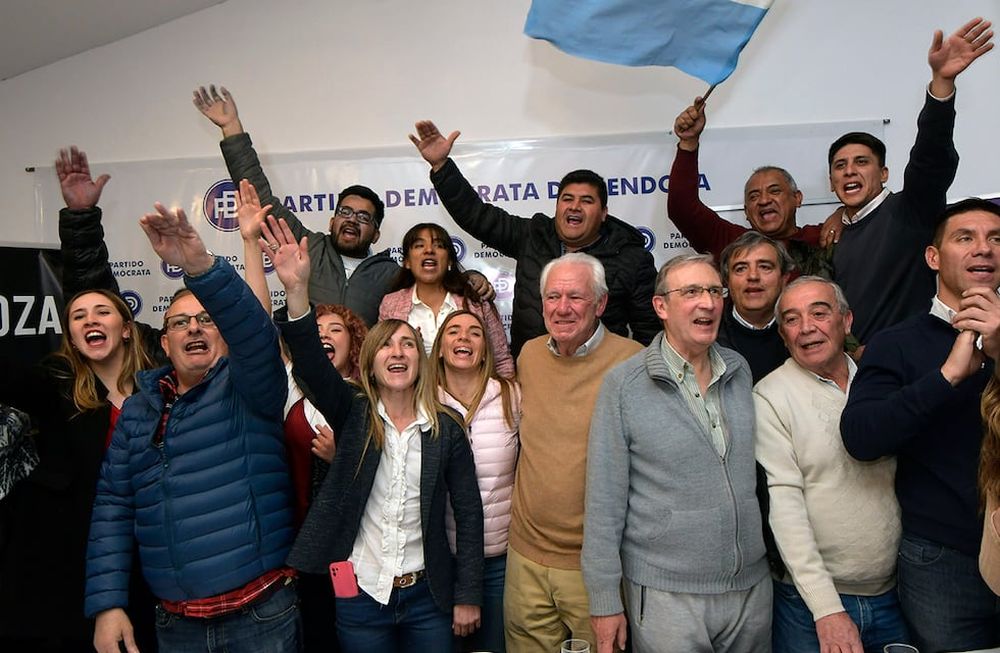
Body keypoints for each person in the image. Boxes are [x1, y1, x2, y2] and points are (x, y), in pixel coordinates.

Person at [264, 215, 484, 653]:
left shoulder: (447, 428)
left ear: (420, 361)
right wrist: (296, 292)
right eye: (386, 344)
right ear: (370, 361)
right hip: (360, 596)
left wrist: (468, 596)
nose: (398, 351)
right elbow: (309, 363)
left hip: (429, 598)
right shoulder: (352, 411)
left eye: (407, 344)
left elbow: (469, 514)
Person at [84, 204, 298, 653]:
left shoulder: (249, 389)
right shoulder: (139, 411)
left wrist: (201, 267)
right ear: (164, 342)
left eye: (206, 320)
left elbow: (257, 337)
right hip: (175, 624)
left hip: (258, 615)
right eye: (180, 322)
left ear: (224, 336)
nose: (194, 329)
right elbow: (113, 507)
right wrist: (108, 606)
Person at [583, 253, 769, 653]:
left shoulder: (739, 370)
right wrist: (604, 603)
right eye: (691, 292)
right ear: (661, 306)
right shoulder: (624, 386)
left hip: (751, 590)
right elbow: (603, 503)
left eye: (714, 291)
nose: (707, 302)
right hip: (666, 595)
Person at [841, 198, 1000, 651]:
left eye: (995, 239)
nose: (983, 249)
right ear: (934, 257)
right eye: (965, 238)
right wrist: (946, 377)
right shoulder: (896, 342)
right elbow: (861, 437)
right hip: (941, 560)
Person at [410, 120, 661, 357]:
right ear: (557, 206)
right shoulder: (533, 235)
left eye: (586, 201)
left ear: (604, 213)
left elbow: (648, 331)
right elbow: (477, 216)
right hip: (534, 370)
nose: (574, 207)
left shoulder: (631, 257)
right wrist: (442, 167)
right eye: (567, 199)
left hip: (600, 378)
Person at [755, 277, 906, 652]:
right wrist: (826, 610)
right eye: (792, 319)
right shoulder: (769, 397)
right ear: (783, 335)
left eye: (819, 313)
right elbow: (784, 509)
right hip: (810, 605)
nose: (807, 327)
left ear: (846, 321)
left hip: (898, 595)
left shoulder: (881, 383)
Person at [0, 288, 155, 652]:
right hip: (71, 561)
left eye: (102, 312)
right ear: (70, 335)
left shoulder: (159, 388)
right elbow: (13, 381)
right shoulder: (56, 382)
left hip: (148, 553)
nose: (91, 320)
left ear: (127, 329)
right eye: (78, 316)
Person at [503, 252, 643, 651]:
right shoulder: (528, 355)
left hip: (594, 568)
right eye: (553, 297)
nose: (562, 308)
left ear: (600, 304)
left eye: (576, 298)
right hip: (524, 557)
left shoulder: (632, 362)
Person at [829, 18, 993, 345]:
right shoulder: (834, 235)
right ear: (831, 181)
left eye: (861, 162)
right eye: (840, 166)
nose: (849, 171)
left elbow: (930, 159)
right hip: (854, 375)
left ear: (884, 174)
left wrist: (941, 85)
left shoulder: (909, 211)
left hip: (915, 367)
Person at [194, 85, 398, 325]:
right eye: (345, 212)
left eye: (364, 217)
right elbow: (262, 201)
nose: (352, 219)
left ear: (376, 235)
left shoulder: (392, 275)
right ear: (332, 222)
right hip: (305, 357)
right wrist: (231, 129)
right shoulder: (306, 248)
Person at [429, 309, 521, 653]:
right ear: (439, 348)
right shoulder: (422, 402)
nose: (464, 338)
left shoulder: (512, 397)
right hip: (439, 563)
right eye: (453, 331)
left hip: (500, 559)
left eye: (474, 333)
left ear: (485, 349)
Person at [669, 102, 834, 278]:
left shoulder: (822, 237)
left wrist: (844, 215)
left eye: (774, 191)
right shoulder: (733, 243)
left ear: (797, 198)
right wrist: (688, 142)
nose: (764, 200)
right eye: (754, 196)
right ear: (747, 212)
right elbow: (682, 207)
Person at [380, 223, 515, 377]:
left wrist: (507, 395)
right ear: (407, 262)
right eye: (419, 245)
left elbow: (501, 361)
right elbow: (382, 361)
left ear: (450, 261)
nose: (429, 250)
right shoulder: (390, 304)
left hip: (472, 398)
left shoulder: (475, 300)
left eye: (438, 246)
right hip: (412, 399)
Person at [717, 231, 792, 383]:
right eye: (740, 268)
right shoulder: (707, 338)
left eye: (765, 267)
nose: (753, 276)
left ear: (784, 279)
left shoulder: (803, 332)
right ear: (727, 281)